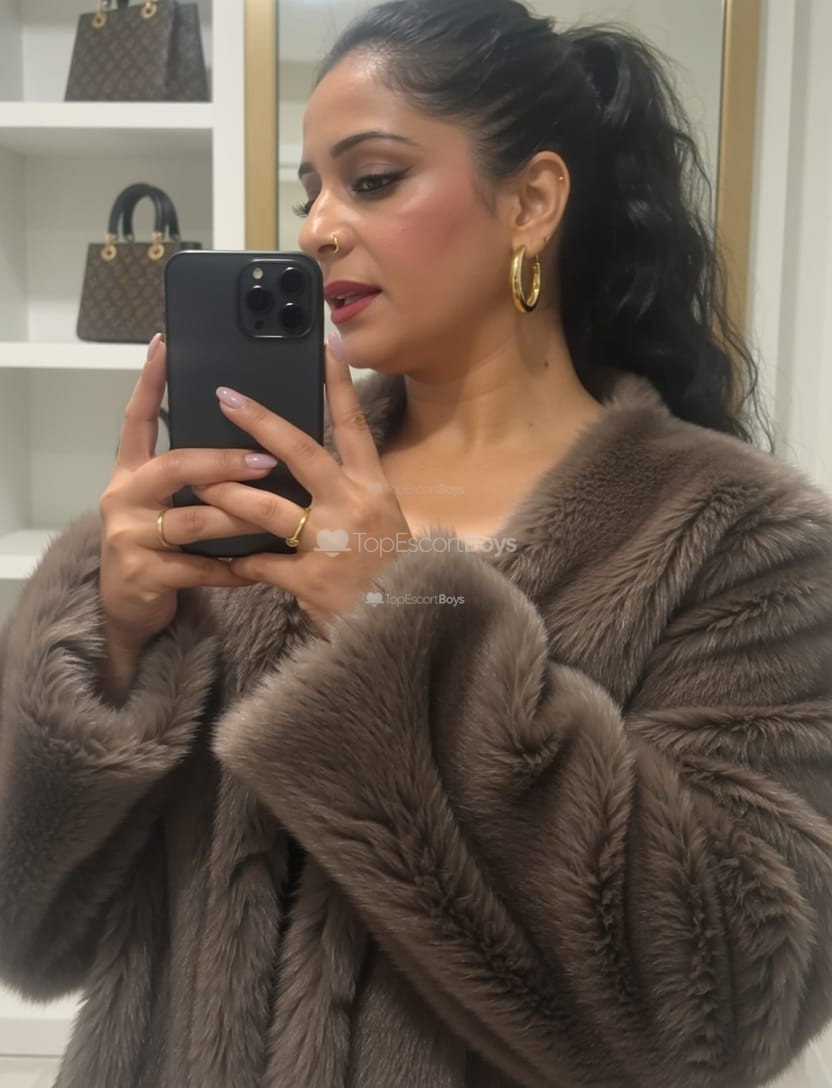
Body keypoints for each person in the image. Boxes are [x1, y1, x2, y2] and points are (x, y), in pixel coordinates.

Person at [1, 1, 831, 1085]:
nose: (318, 228)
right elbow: (30, 927)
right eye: (308, 191)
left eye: (374, 178)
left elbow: (727, 1002)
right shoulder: (247, 495)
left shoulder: (736, 542)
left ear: (530, 202)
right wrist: (104, 644)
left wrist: (401, 626)